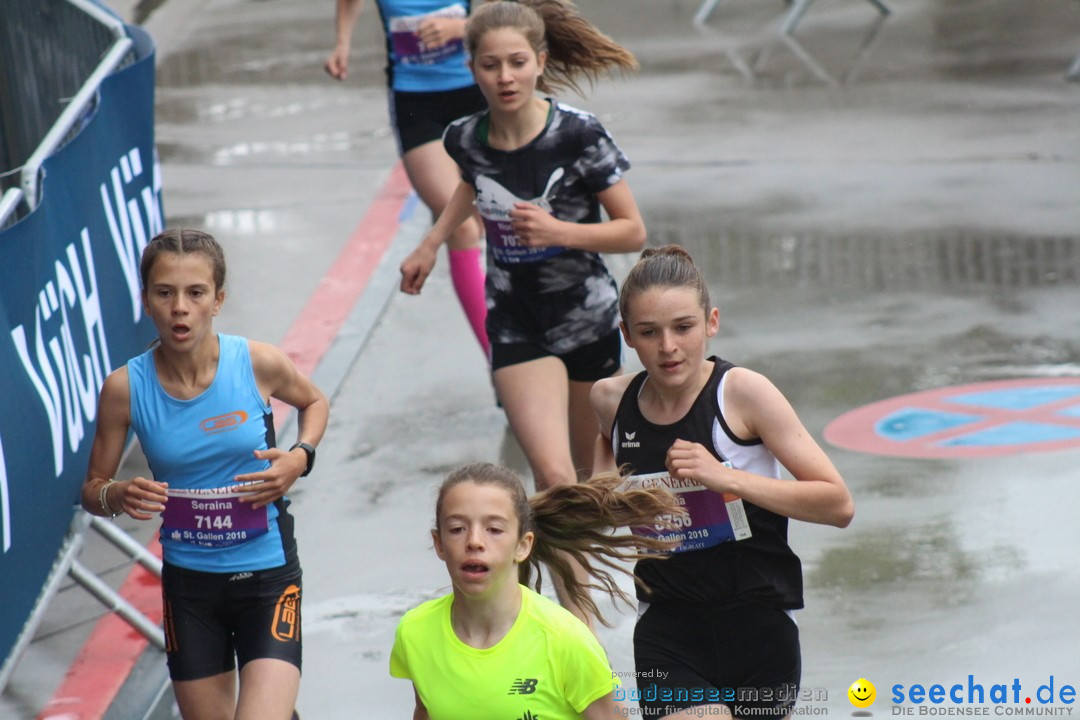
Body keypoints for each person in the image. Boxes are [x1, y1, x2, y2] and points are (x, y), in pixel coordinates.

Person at [590, 246, 855, 720]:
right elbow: (604, 481)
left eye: (683, 327)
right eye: (649, 333)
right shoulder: (610, 400)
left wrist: (723, 476)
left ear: (711, 322)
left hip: (758, 624)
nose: (668, 346)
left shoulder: (744, 394)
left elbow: (837, 505)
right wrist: (606, 502)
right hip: (667, 628)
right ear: (627, 335)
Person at [81, 229, 329, 720]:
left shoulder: (256, 362)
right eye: (164, 292)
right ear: (146, 300)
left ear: (218, 300)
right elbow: (92, 490)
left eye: (195, 293)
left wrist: (299, 457)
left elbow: (315, 401)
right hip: (191, 588)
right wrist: (119, 493)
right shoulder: (125, 388)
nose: (180, 308)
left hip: (267, 577)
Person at [399, 0, 645, 494]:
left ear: (541, 61)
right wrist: (430, 244)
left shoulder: (578, 134)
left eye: (517, 63)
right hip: (514, 319)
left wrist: (560, 233)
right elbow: (471, 184)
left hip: (584, 317)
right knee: (552, 480)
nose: (505, 77)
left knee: (587, 484)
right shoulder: (464, 138)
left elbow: (632, 230)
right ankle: (557, 572)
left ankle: (584, 574)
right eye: (490, 66)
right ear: (472, 70)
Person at [389, 462, 684, 720]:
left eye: (494, 529)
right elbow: (425, 711)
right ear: (439, 543)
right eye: (457, 529)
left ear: (523, 545)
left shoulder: (566, 640)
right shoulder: (416, 632)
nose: (474, 541)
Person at [325, 0, 489, 358]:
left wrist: (462, 29)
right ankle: (499, 360)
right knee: (459, 226)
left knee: (500, 220)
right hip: (416, 103)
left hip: (480, 92)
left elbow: (505, 10)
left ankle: (521, 337)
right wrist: (342, 43)